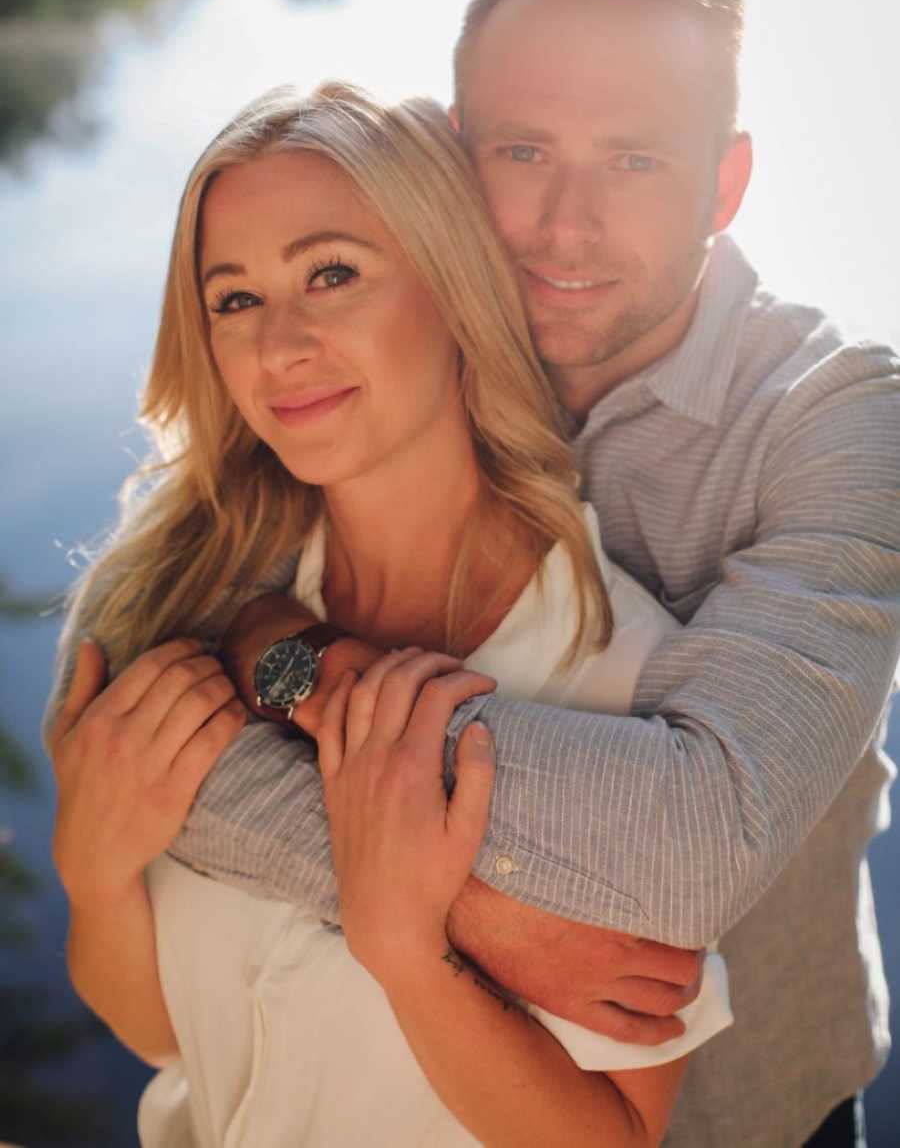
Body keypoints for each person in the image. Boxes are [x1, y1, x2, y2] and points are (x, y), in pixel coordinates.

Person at [48, 0, 900, 1147]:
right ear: (455, 161)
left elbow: (695, 839)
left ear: (727, 181)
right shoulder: (346, 417)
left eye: (634, 158)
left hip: (761, 1109)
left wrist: (326, 733)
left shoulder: (839, 423)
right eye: (522, 152)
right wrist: (458, 909)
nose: (563, 225)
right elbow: (142, 751)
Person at [48, 81, 733, 1147]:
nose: (279, 347)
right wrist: (91, 874)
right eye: (234, 300)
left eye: (332, 274)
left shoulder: (626, 677)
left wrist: (408, 949)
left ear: (453, 285)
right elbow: (164, 1039)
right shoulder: (196, 608)